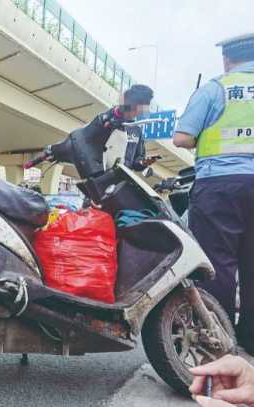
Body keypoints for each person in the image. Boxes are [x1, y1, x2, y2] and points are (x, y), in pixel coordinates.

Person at [173, 33, 254, 355]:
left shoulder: (215, 89)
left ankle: (218, 342)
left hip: (221, 185)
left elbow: (181, 139)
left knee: (217, 265)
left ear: (227, 59)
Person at [103, 84, 158, 171]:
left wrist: (144, 162)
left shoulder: (137, 130)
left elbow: (136, 161)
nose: (140, 111)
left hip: (120, 178)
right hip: (101, 172)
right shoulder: (110, 117)